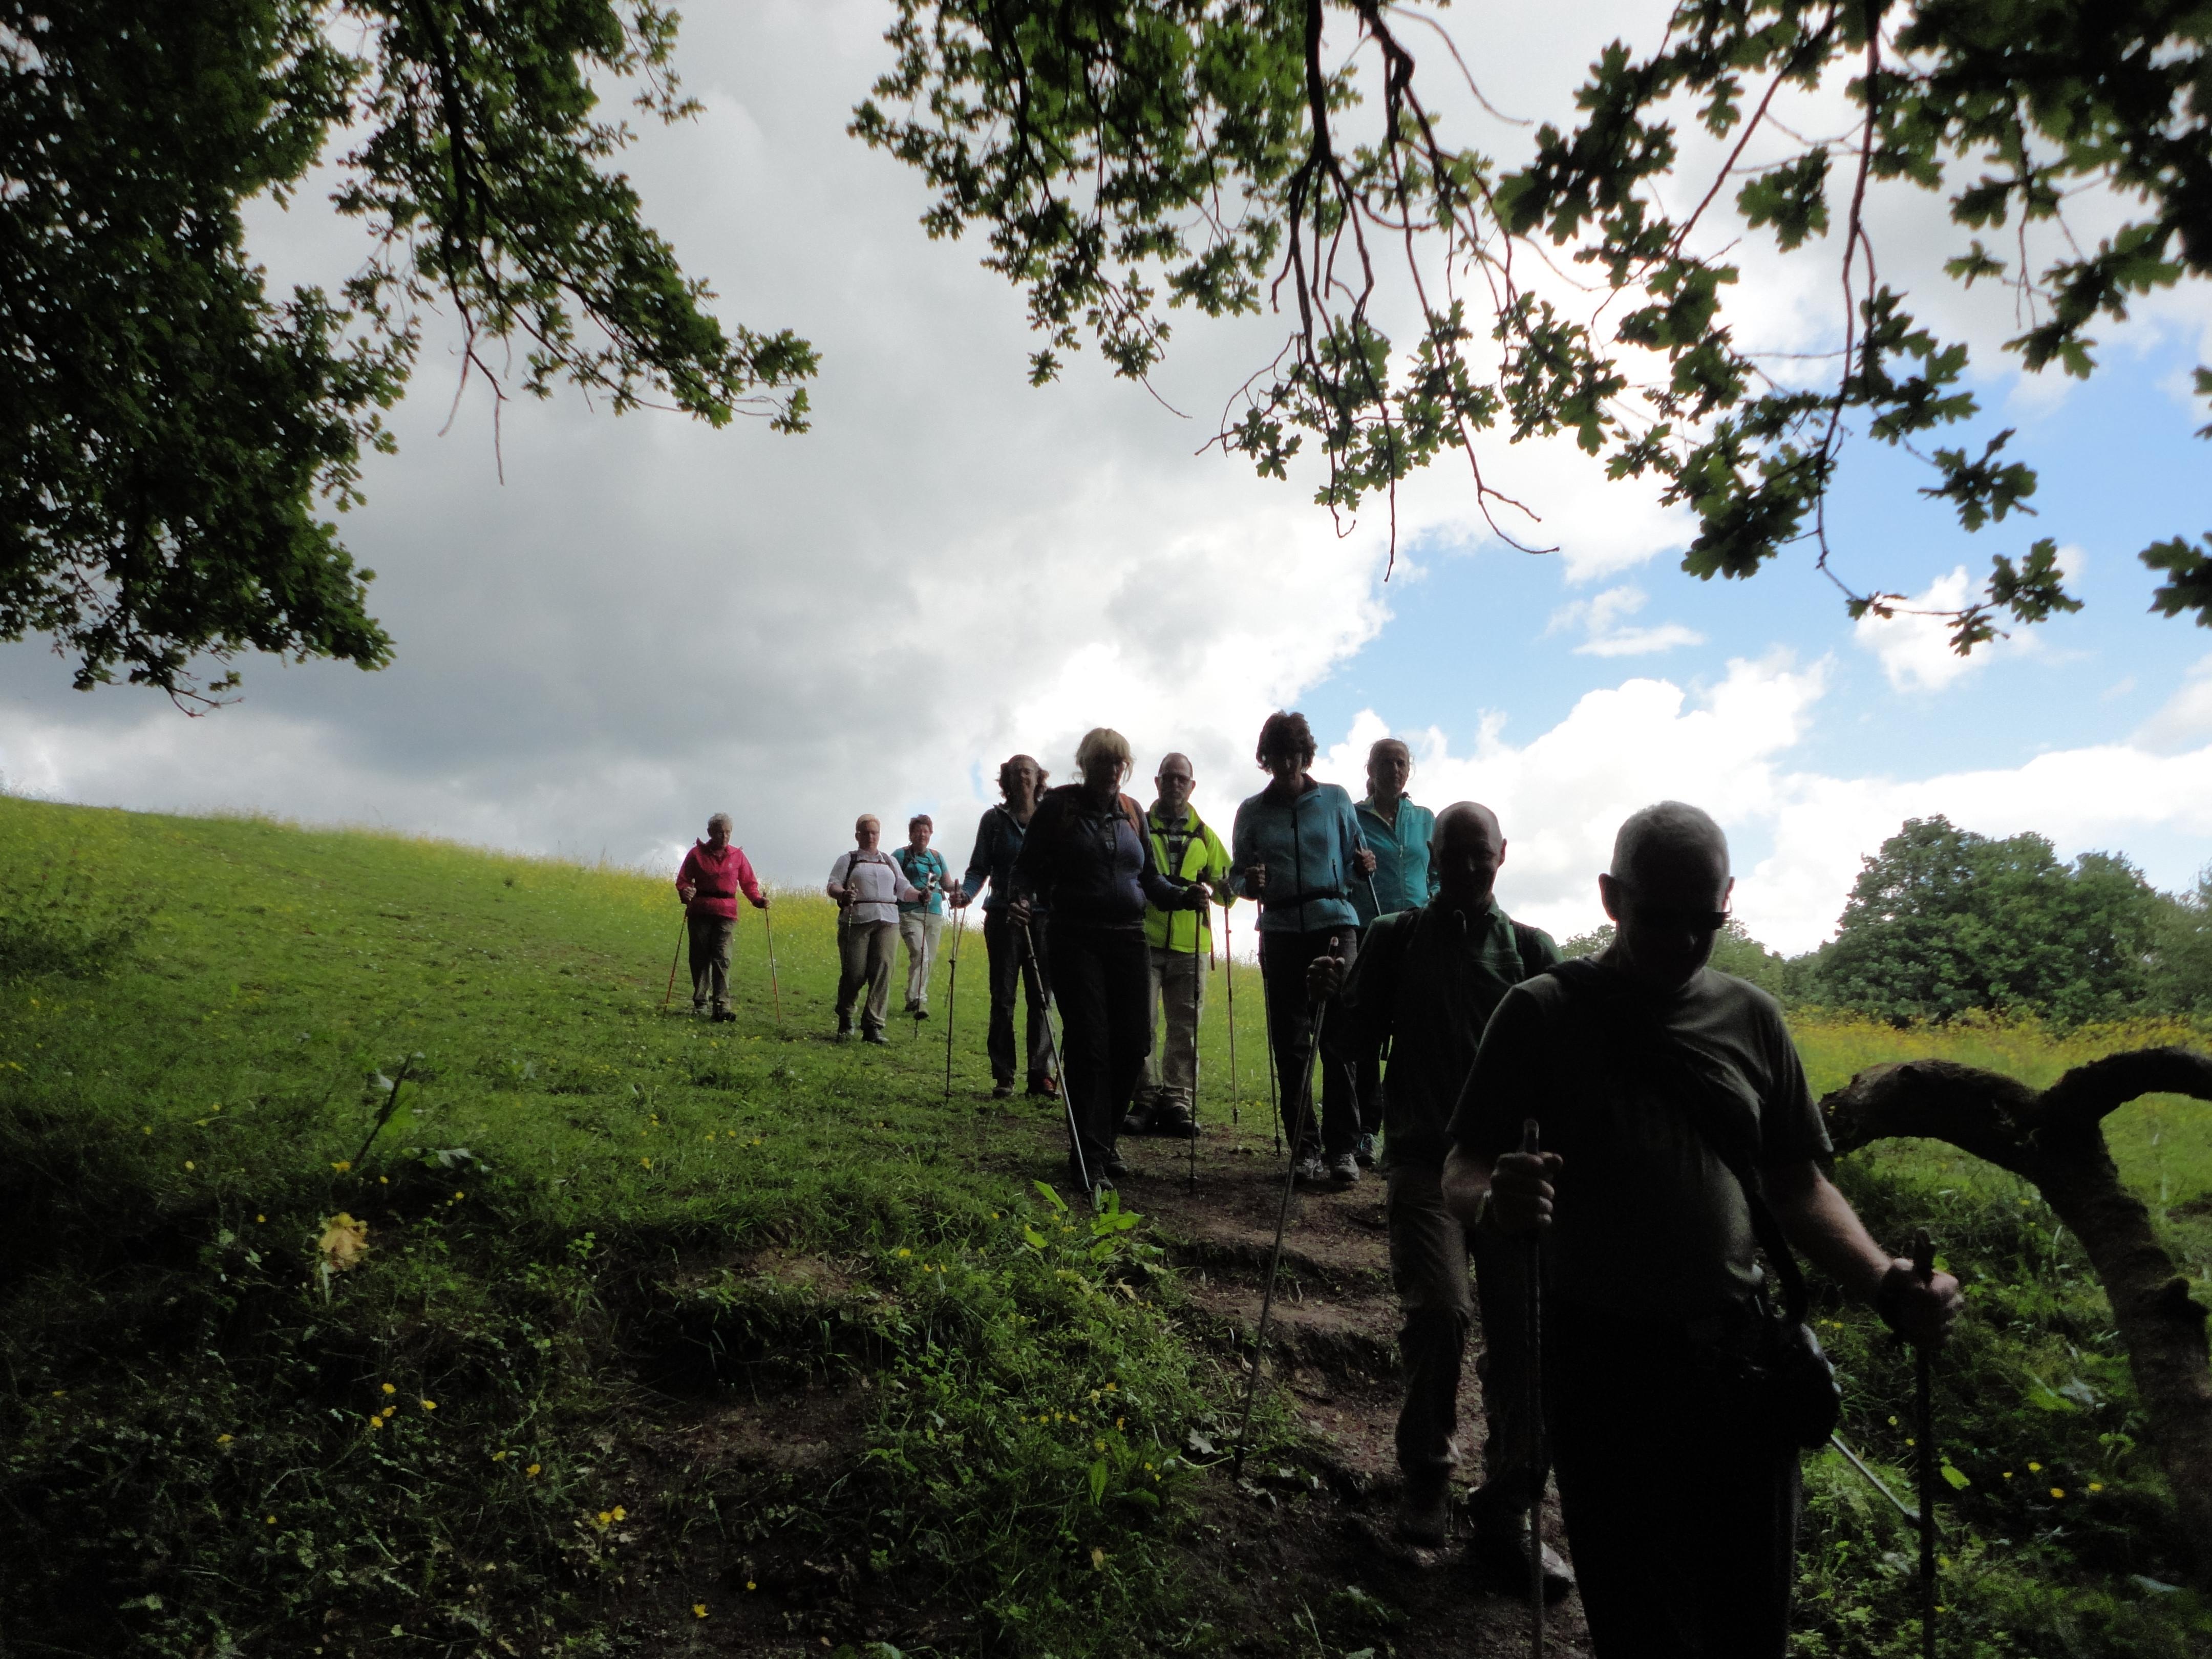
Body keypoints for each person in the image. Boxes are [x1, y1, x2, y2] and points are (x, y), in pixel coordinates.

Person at [1442, 802, 1963, 1657]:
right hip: (1603, 1373)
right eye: (1659, 918)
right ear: (1612, 898)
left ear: (1727, 901)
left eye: (1705, 921)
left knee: (1749, 1621)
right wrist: (1495, 1200)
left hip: (1739, 1369)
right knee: (1641, 1624)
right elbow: (1460, 1165)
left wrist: (1882, 1279)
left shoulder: (1753, 1017)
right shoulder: (1541, 1013)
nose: (1685, 941)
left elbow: (1798, 1186)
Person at [1310, 802, 1569, 1589]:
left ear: (1501, 856)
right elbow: (1351, 1045)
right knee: (1440, 1311)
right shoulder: (1397, 937)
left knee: (1526, 1338)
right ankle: (1426, 1477)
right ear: (1431, 857)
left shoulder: (1531, 951)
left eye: (1478, 854)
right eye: (1451, 855)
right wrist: (1334, 999)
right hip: (1424, 1160)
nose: (1465, 868)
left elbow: (1565, 1068)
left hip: (1509, 1171)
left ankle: (1509, 1509)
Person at [1009, 728, 1206, 1190]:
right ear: (1086, 764)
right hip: (1074, 937)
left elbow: (1150, 880)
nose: (1114, 770)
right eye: (1104, 761)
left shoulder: (1133, 813)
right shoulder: (1059, 808)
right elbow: (1025, 867)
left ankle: (1102, 1138)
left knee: (1134, 1043)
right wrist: (1019, 898)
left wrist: (1184, 897)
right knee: (1090, 1044)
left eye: (1120, 762)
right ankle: (1089, 1156)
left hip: (1129, 939)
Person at [1229, 710, 1375, 1186]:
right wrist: (1249, 884)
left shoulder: (1336, 800)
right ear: (1266, 758)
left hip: (1335, 923)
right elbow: (1236, 876)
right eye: (1277, 755)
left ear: (1305, 754)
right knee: (1290, 1044)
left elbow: (1356, 863)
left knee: (1339, 1037)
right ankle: (1304, 1150)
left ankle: (1342, 1149)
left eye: (1294, 753)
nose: (1288, 764)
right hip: (1279, 929)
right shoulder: (1251, 811)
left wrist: (1364, 866)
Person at [1125, 752, 1234, 1138]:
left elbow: (1227, 889)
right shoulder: (1137, 825)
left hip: (1192, 944)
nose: (1174, 784)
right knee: (1143, 1025)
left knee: (1185, 1029)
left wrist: (1226, 887)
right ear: (1157, 783)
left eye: (1181, 779)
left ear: (1192, 786)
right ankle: (1144, 1099)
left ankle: (1178, 1102)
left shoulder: (1205, 835)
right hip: (1144, 938)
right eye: (1168, 777)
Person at [1347, 736, 1439, 1166]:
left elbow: (1436, 872)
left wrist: (1434, 902)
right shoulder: (1353, 817)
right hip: (1369, 932)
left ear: (1409, 769)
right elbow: (1340, 871)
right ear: (1370, 769)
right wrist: (1355, 870)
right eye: (1385, 762)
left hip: (1417, 934)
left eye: (1401, 762)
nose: (1394, 770)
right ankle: (1366, 1133)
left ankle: (1408, 1132)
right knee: (1367, 1032)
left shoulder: (1425, 819)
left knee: (1414, 1033)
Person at [959, 754, 1058, 1100]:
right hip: (1003, 915)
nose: (1022, 778)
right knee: (1003, 997)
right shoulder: (994, 820)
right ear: (1007, 780)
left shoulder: (1051, 819)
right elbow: (978, 868)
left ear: (1039, 778)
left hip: (1044, 917)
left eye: (1028, 772)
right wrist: (966, 894)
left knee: (1041, 997)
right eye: (1015, 773)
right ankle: (1004, 1074)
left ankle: (1040, 1075)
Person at [826, 815, 922, 1045]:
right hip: (857, 919)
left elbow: (904, 889)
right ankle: (846, 1015)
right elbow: (833, 885)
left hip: (888, 920)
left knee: (883, 970)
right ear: (857, 835)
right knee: (854, 972)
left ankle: (873, 1025)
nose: (871, 837)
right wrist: (843, 894)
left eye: (875, 833)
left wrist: (921, 896)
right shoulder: (848, 860)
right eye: (866, 833)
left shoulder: (889, 861)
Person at [674, 813, 767, 1022]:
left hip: (727, 913)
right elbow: (683, 880)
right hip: (700, 912)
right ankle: (701, 1002)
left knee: (723, 958)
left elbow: (749, 883)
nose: (725, 836)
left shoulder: (737, 856)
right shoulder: (696, 854)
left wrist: (758, 900)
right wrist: (685, 891)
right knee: (700, 958)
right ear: (710, 833)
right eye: (720, 832)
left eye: (728, 832)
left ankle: (722, 1005)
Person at [892, 814, 952, 1018]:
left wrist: (962, 890)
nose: (922, 835)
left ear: (931, 833)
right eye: (918, 831)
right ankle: (920, 1000)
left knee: (928, 959)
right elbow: (891, 881)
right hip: (909, 913)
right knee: (921, 954)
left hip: (934, 913)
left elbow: (947, 884)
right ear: (911, 834)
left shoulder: (936, 858)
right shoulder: (900, 855)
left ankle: (913, 998)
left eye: (926, 831)